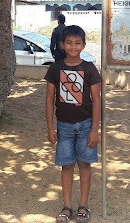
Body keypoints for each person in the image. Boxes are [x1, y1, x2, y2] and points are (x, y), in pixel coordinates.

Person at [44, 25, 102, 223]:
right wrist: (50, 127)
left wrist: (95, 129)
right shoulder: (55, 68)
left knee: (84, 165)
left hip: (86, 125)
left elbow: (97, 100)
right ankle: (67, 206)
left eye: (78, 43)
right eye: (69, 42)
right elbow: (50, 98)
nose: (73, 46)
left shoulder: (89, 69)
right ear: (62, 44)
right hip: (64, 126)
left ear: (84, 45)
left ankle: (83, 206)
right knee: (66, 166)